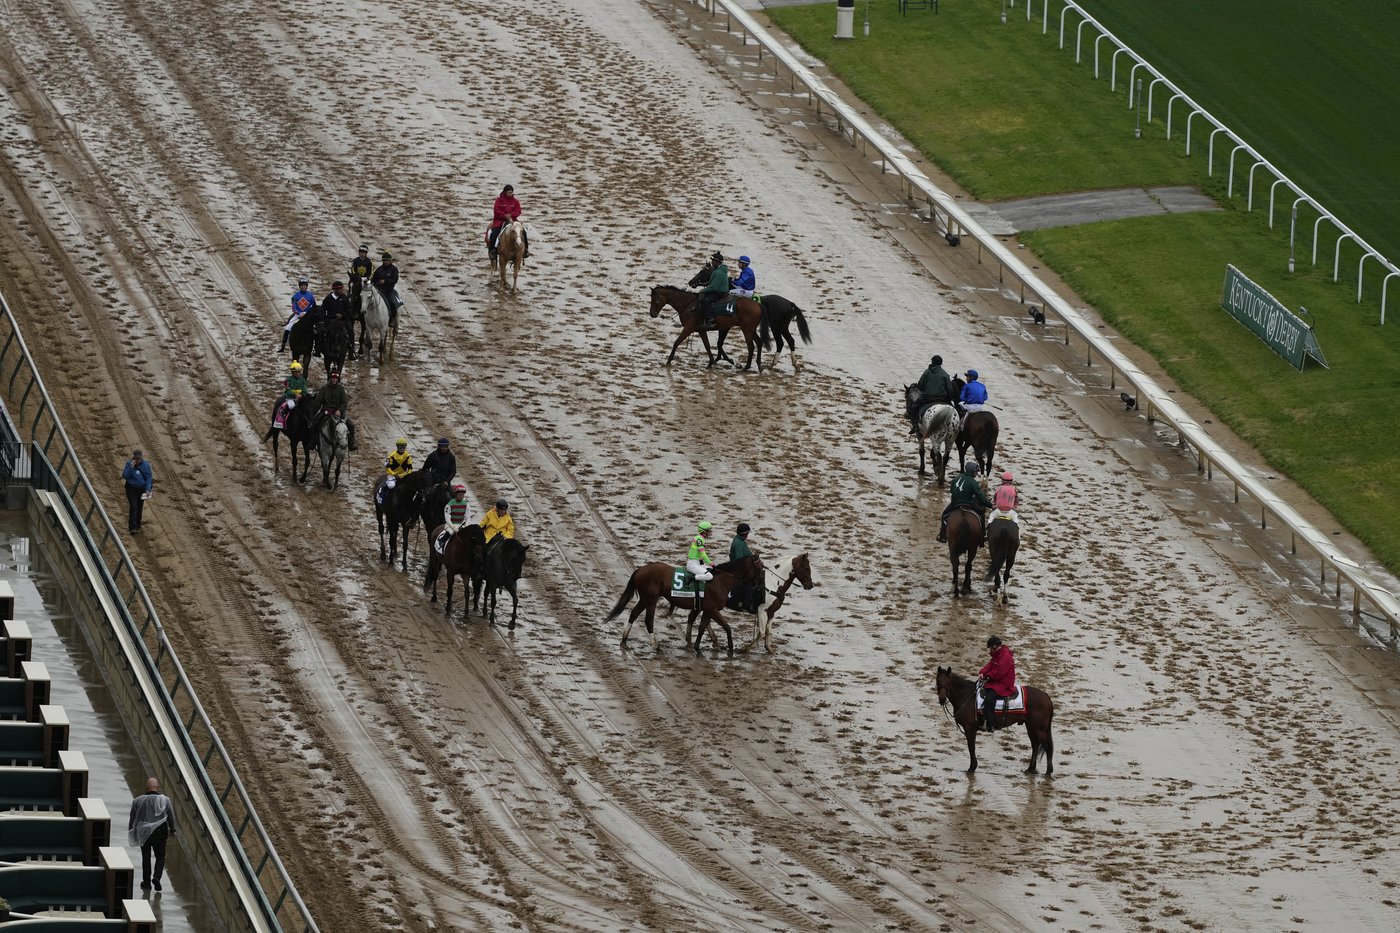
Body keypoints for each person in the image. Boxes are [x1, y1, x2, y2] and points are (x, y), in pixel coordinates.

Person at [128, 776, 176, 892]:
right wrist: (173, 830)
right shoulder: (165, 800)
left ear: (147, 787)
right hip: (160, 832)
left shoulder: (138, 801)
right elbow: (170, 815)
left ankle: (147, 883)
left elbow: (132, 818)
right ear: (157, 787)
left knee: (146, 857)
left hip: (144, 833)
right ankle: (157, 877)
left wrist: (132, 831)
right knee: (160, 856)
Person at [937, 460, 992, 543]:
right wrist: (990, 505)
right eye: (976, 472)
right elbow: (981, 498)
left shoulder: (957, 478)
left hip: (954, 503)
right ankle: (983, 536)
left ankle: (943, 536)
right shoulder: (973, 482)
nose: (977, 473)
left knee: (944, 515)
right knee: (981, 514)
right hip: (968, 503)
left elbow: (951, 490)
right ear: (972, 472)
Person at [978, 636, 1017, 732]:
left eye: (990, 647)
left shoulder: (1005, 656)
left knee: (989, 698)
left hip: (1004, 685)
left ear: (995, 646)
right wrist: (982, 672)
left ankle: (991, 724)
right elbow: (990, 665)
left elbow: (998, 672)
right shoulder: (998, 654)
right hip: (997, 681)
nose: (990, 650)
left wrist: (987, 676)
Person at [909, 354, 955, 435]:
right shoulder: (945, 374)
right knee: (954, 411)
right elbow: (950, 389)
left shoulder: (927, 372)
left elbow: (920, 386)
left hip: (927, 397)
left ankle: (915, 425)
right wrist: (949, 398)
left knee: (913, 407)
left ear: (932, 362)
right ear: (941, 363)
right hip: (942, 398)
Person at [317, 369, 357, 451]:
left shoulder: (341, 389)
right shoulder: (324, 388)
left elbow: (344, 402)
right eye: (333, 377)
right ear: (330, 378)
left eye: (336, 378)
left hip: (338, 413)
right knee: (315, 423)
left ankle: (351, 443)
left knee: (351, 425)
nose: (334, 379)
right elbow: (318, 401)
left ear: (338, 379)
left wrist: (339, 410)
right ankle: (314, 442)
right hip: (326, 412)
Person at [122, 449, 153, 535]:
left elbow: (148, 478)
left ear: (141, 457)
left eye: (139, 458)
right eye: (136, 458)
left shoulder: (146, 465)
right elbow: (125, 476)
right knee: (134, 506)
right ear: (134, 457)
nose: (138, 460)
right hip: (131, 489)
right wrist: (130, 468)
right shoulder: (129, 464)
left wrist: (148, 489)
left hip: (141, 490)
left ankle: (137, 526)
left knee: (139, 507)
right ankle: (132, 527)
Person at [282, 276, 316, 352]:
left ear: (306, 286)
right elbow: (294, 308)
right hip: (298, 314)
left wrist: (308, 313)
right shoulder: (295, 296)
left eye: (304, 285)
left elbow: (314, 307)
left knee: (316, 329)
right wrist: (299, 313)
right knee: (288, 328)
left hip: (308, 315)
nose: (303, 287)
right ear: (299, 286)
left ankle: (316, 347)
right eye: (301, 285)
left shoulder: (311, 296)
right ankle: (283, 346)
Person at [488, 184, 523, 253]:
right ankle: (492, 250)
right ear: (504, 192)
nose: (510, 194)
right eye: (508, 192)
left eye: (511, 192)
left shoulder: (515, 201)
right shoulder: (498, 200)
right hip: (500, 221)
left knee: (523, 232)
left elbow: (518, 211)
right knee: (494, 234)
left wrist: (511, 215)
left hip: (513, 221)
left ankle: (525, 250)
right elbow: (496, 211)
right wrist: (504, 216)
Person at [700, 251, 730, 328]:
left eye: (713, 261)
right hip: (718, 291)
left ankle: (711, 319)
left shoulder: (718, 272)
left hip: (719, 292)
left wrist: (702, 290)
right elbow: (712, 282)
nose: (712, 262)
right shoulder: (718, 270)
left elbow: (714, 287)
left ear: (717, 262)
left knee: (705, 300)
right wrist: (703, 284)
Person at [274, 361, 308, 427]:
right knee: (291, 405)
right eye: (295, 372)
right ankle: (283, 416)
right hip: (290, 398)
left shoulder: (303, 380)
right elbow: (288, 390)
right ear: (292, 372)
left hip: (300, 398)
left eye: (298, 372)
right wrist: (295, 394)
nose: (297, 373)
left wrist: (302, 395)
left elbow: (305, 390)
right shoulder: (288, 380)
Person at [372, 251, 401, 325]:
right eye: (384, 260)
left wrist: (385, 281)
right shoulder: (379, 269)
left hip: (389, 290)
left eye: (387, 260)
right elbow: (373, 279)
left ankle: (392, 320)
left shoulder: (394, 269)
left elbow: (395, 280)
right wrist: (377, 283)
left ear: (390, 261)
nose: (386, 262)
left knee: (393, 303)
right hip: (379, 290)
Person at [348, 244, 374, 325]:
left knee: (369, 293)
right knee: (352, 290)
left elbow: (372, 272)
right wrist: (357, 277)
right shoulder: (355, 261)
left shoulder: (369, 262)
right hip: (357, 279)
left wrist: (367, 278)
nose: (362, 253)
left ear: (366, 253)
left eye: (364, 252)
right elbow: (353, 270)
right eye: (361, 252)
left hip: (366, 280)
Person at [439, 484, 471, 549]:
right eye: (459, 494)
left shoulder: (466, 504)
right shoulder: (449, 504)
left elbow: (468, 517)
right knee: (451, 532)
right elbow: (447, 518)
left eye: (462, 495)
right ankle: (442, 541)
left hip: (461, 524)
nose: (461, 496)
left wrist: (466, 525)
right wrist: (453, 527)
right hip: (450, 525)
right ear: (456, 494)